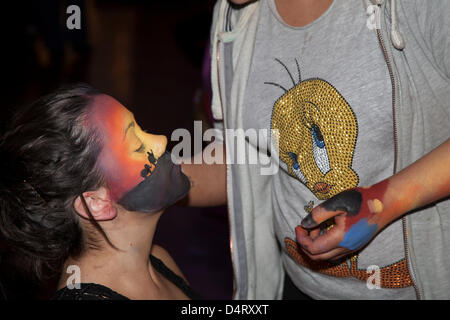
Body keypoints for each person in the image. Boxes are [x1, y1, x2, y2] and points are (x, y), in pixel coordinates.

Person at [182, 0, 450, 299]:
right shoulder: (236, 15)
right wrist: (162, 178)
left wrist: (384, 202)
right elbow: (247, 159)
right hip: (299, 286)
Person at [0, 83, 201, 300]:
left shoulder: (158, 260)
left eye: (142, 130)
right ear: (97, 202)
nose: (161, 141)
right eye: (138, 146)